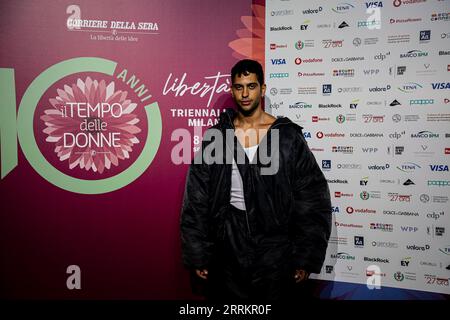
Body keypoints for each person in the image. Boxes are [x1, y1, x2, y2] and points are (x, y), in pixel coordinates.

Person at [180, 59, 331, 301]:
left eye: (251, 86)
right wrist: (198, 253)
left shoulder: (287, 137)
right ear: (232, 90)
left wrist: (305, 256)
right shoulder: (217, 137)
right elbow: (197, 198)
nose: (245, 94)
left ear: (262, 88)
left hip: (276, 247)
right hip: (228, 247)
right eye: (239, 87)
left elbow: (311, 198)